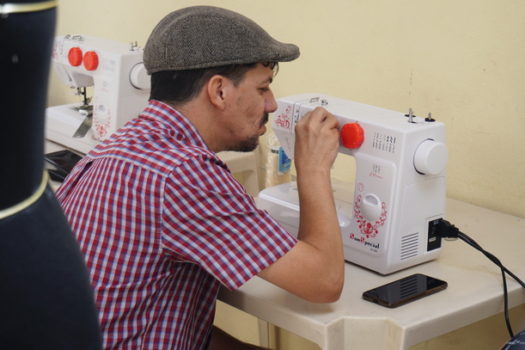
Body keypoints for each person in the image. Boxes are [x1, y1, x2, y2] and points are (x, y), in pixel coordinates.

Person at [56, 5, 344, 350]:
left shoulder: (120, 145)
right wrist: (312, 168)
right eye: (263, 88)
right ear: (219, 91)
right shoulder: (184, 174)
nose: (271, 105)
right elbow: (324, 281)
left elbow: (166, 325)